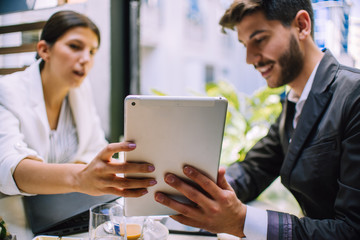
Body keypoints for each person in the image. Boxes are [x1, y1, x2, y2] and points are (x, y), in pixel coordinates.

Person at [154, 0, 360, 239]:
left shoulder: (353, 96)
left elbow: (352, 230)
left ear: (302, 26)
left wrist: (242, 221)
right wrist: (199, 190)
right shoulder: (295, 103)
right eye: (244, 45)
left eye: (259, 39)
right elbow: (254, 169)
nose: (249, 58)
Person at [0, 10, 157, 197]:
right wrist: (79, 178)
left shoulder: (81, 90)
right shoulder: (7, 90)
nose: (86, 59)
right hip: (19, 217)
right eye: (75, 46)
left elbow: (95, 148)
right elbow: (7, 167)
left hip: (68, 208)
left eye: (92, 52)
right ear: (44, 50)